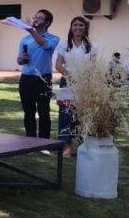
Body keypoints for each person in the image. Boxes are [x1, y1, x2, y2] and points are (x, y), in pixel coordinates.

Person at [54, 16, 99, 156]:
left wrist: (82, 78)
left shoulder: (92, 46)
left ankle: (82, 143)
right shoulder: (63, 45)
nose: (78, 28)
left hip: (85, 83)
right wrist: (70, 75)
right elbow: (58, 65)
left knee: (82, 114)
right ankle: (66, 145)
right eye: (75, 25)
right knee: (65, 114)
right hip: (67, 82)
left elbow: (92, 65)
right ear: (71, 27)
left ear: (85, 28)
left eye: (81, 25)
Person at [16, 9, 60, 138]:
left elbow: (45, 45)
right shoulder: (25, 39)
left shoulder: (53, 38)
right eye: (35, 17)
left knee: (43, 111)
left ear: (47, 23)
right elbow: (18, 60)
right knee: (28, 112)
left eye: (40, 18)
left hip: (43, 78)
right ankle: (30, 140)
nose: (35, 19)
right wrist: (21, 59)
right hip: (26, 78)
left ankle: (44, 141)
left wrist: (33, 32)